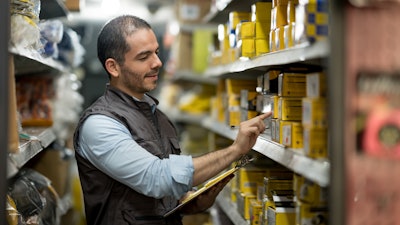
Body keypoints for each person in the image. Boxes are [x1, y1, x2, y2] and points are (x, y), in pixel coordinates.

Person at [73, 15, 271, 225]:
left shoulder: (158, 117)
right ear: (113, 67)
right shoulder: (99, 124)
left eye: (156, 53)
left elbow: (156, 194)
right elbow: (156, 178)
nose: (158, 63)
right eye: (143, 57)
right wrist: (235, 150)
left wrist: (186, 202)